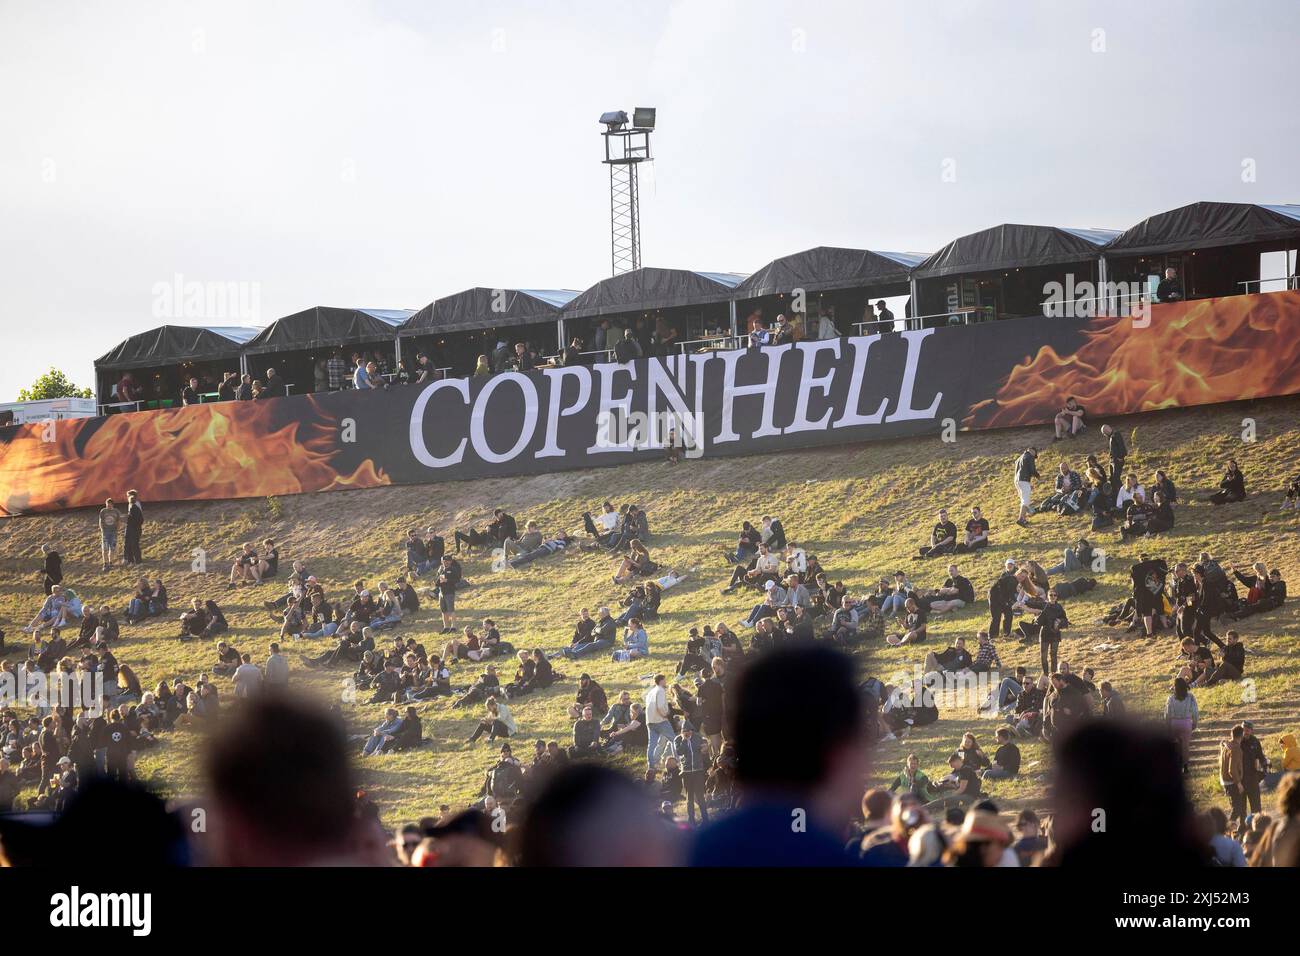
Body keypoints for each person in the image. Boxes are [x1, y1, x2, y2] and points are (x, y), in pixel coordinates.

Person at [672, 723, 709, 826]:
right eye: (684, 731)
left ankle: (705, 819)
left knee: (700, 796)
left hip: (698, 771)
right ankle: (691, 820)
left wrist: (705, 750)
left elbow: (704, 751)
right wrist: (684, 740)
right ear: (681, 731)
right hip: (686, 772)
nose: (687, 733)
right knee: (690, 797)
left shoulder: (698, 737)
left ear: (692, 730)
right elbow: (679, 752)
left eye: (689, 731)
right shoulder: (678, 739)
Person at [1164, 676, 1199, 774]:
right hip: (1186, 723)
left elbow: (1167, 713)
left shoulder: (1170, 698)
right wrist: (1195, 723)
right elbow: (1195, 712)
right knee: (1185, 746)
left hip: (1174, 723)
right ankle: (1185, 766)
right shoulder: (1190, 697)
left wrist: (1167, 725)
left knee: (1175, 745)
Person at [1220, 723, 1247, 827]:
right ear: (1242, 735)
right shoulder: (1236, 749)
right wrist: (1239, 783)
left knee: (1236, 807)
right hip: (1232, 782)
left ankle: (1231, 830)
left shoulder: (1227, 746)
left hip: (1225, 781)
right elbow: (1232, 769)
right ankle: (1226, 829)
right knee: (1238, 809)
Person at [1013, 446, 1039, 527]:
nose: (1034, 457)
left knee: (1023, 500)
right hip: (1024, 480)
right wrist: (1038, 476)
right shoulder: (1030, 456)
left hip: (1017, 481)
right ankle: (1021, 519)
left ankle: (1023, 519)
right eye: (1035, 455)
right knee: (1025, 501)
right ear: (1033, 451)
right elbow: (1032, 469)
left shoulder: (1019, 458)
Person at [1101, 423, 1126, 491]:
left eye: (1105, 431)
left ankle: (1122, 491)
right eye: (1104, 432)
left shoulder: (1116, 434)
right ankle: (1115, 491)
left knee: (1116, 478)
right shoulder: (1111, 436)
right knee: (1112, 478)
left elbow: (1121, 446)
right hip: (1113, 460)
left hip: (1117, 460)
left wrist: (1121, 456)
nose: (1105, 433)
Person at [98, 498, 121, 571]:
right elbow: (100, 521)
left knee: (112, 548)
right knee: (105, 548)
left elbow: (118, 521)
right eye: (107, 505)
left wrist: (117, 530)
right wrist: (102, 530)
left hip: (113, 532)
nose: (108, 507)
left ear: (112, 505)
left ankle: (111, 562)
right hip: (105, 532)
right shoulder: (103, 511)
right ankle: (105, 563)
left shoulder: (116, 511)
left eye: (110, 505)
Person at [123, 490, 144, 565]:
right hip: (133, 527)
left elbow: (137, 518)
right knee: (131, 544)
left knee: (133, 544)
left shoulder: (134, 505)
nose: (127, 497)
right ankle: (130, 560)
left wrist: (128, 518)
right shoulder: (132, 505)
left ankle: (135, 561)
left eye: (128, 496)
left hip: (133, 528)